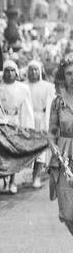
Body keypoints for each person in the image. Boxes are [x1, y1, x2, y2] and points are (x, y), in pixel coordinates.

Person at [0, 58, 34, 194]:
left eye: (12, 71)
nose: (9, 74)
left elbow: (27, 109)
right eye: (7, 71)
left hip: (16, 121)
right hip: (2, 121)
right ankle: (5, 181)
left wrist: (26, 127)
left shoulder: (23, 88)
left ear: (16, 73)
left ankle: (13, 181)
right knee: (2, 152)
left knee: (14, 153)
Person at [48, 56, 73, 235]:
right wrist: (52, 146)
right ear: (63, 76)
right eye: (69, 74)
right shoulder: (58, 102)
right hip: (63, 158)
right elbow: (51, 132)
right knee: (67, 213)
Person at [26, 60, 55, 189]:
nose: (33, 72)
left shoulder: (47, 86)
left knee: (42, 148)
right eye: (31, 70)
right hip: (27, 119)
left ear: (40, 71)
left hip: (42, 118)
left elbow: (51, 105)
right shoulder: (24, 86)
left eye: (36, 69)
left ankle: (36, 176)